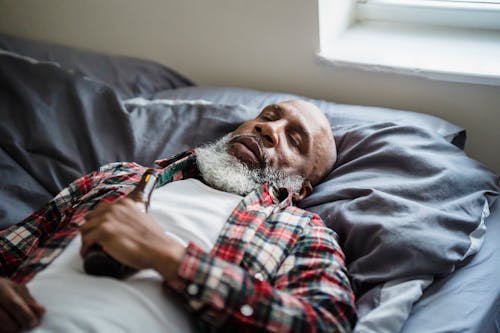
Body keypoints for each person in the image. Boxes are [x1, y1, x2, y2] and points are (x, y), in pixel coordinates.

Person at [0, 100, 357, 333]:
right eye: (267, 116)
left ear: (301, 188)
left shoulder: (302, 231)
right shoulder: (119, 177)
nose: (269, 130)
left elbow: (324, 324)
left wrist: (169, 257)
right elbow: (10, 248)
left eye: (295, 140)